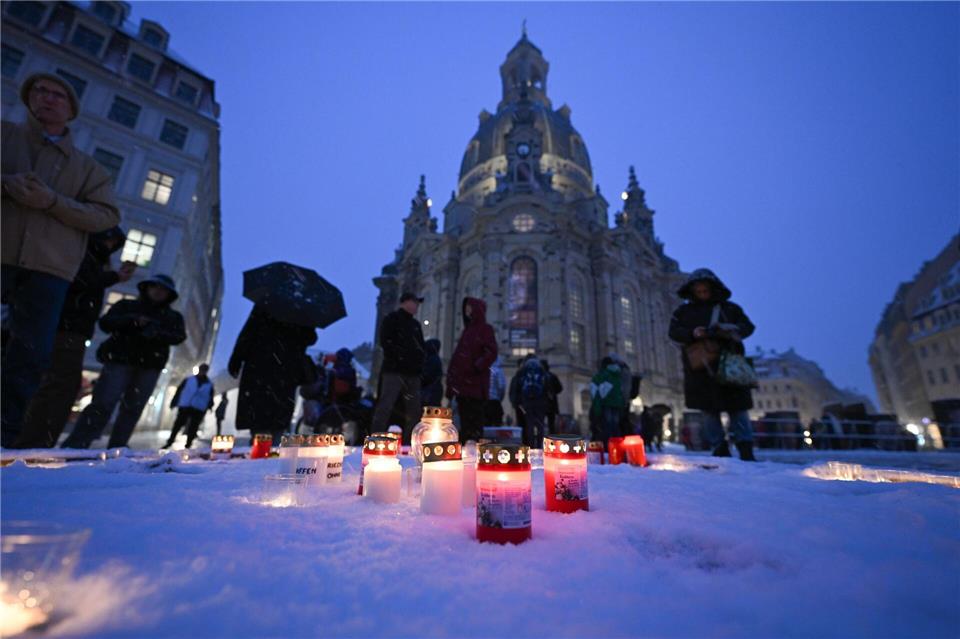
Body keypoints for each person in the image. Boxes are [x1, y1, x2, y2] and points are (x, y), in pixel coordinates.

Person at [1, 73, 121, 447]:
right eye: (39, 91)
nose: (47, 99)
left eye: (58, 95)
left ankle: (5, 435)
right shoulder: (5, 137)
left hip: (49, 267)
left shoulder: (88, 169)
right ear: (27, 98)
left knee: (29, 356)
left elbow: (105, 215)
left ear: (71, 110)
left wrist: (52, 201)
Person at [14, 228, 134, 448]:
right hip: (66, 327)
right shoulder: (81, 256)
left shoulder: (91, 259)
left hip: (70, 327)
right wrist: (113, 276)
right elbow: (82, 281)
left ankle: (35, 440)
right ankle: (32, 442)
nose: (110, 246)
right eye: (110, 241)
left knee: (58, 384)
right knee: (58, 384)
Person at [62, 275, 185, 448]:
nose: (158, 292)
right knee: (103, 403)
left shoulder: (173, 317)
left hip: (149, 366)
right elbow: (106, 323)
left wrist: (156, 331)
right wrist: (132, 321)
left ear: (169, 295)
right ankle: (77, 444)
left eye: (163, 289)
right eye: (155, 287)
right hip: (120, 360)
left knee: (133, 409)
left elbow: (179, 336)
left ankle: (118, 447)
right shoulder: (127, 306)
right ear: (147, 288)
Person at [669, 268, 756, 461]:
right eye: (698, 291)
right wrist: (693, 333)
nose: (701, 294)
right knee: (709, 412)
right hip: (701, 370)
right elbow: (674, 332)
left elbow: (748, 327)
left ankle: (746, 449)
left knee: (738, 410)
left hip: (730, 366)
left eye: (705, 290)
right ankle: (719, 449)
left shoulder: (730, 309)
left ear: (713, 289)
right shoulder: (683, 312)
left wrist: (729, 330)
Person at [228, 305, 317, 445]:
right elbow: (310, 338)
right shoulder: (301, 310)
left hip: (260, 367)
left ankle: (259, 454)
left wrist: (236, 359)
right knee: (277, 422)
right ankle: (270, 455)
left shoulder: (266, 304)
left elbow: (248, 333)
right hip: (285, 371)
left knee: (260, 421)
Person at [370, 292, 426, 441]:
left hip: (412, 373)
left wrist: (418, 364)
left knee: (414, 410)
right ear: (405, 302)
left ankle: (410, 441)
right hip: (394, 371)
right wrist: (400, 358)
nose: (417, 306)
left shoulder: (415, 325)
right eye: (415, 302)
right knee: (386, 405)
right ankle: (375, 439)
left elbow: (421, 347)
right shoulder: (392, 319)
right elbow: (386, 343)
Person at [446, 297, 498, 443]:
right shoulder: (467, 331)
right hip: (463, 387)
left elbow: (491, 352)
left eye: (470, 307)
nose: (467, 311)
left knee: (474, 423)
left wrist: (476, 367)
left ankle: (474, 452)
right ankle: (466, 452)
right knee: (463, 424)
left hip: (475, 386)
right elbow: (459, 359)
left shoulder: (485, 329)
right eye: (466, 308)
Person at [163, 364, 215, 449]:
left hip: (198, 407)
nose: (202, 371)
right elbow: (179, 391)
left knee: (193, 426)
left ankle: (188, 444)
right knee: (178, 424)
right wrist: (174, 402)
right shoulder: (189, 380)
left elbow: (210, 396)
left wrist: (209, 406)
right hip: (185, 405)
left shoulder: (209, 384)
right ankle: (170, 441)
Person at [510, 355, 547, 447]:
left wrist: (518, 402)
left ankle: (530, 446)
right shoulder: (541, 369)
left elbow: (517, 386)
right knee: (540, 425)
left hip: (527, 402)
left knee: (529, 425)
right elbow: (547, 385)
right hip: (540, 402)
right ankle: (539, 446)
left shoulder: (523, 370)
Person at [590, 357, 624, 444]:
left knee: (607, 425)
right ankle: (618, 446)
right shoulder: (617, 374)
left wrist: (596, 411)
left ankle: (608, 445)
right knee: (616, 426)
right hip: (617, 404)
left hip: (606, 404)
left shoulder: (601, 376)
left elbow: (597, 395)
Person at [420, 338, 444, 407]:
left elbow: (427, 377)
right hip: (434, 391)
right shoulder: (435, 359)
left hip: (430, 392)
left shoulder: (431, 359)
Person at [543, 359, 563, 434]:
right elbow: (560, 388)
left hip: (542, 404)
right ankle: (551, 439)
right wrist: (553, 392)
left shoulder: (540, 377)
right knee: (551, 424)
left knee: (540, 423)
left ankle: (540, 439)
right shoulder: (553, 376)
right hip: (552, 403)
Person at [486, 356, 507, 426]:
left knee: (486, 425)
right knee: (497, 424)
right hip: (495, 401)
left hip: (485, 401)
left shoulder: (485, 370)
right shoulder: (499, 371)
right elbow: (501, 387)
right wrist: (500, 398)